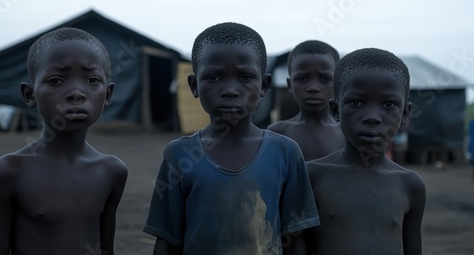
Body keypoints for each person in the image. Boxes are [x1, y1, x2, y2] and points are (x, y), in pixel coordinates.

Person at [143, 22, 319, 254]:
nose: (230, 90)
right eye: (214, 77)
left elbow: (295, 238)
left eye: (245, 77)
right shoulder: (179, 154)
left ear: (264, 85)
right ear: (194, 86)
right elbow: (167, 241)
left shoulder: (285, 152)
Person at [0, 28, 128, 255]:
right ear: (29, 94)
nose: (76, 93)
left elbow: (106, 249)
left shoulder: (113, 171)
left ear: (107, 95)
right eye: (56, 80)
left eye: (92, 80)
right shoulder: (7, 172)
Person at [305, 48, 426, 254]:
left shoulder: (410, 185)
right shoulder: (311, 177)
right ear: (336, 110)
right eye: (356, 102)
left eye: (388, 104)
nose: (372, 116)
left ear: (404, 114)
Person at [268, 40, 344, 161]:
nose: (313, 88)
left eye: (324, 79)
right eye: (302, 79)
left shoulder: (346, 134)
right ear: (289, 85)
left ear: (338, 84)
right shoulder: (277, 133)